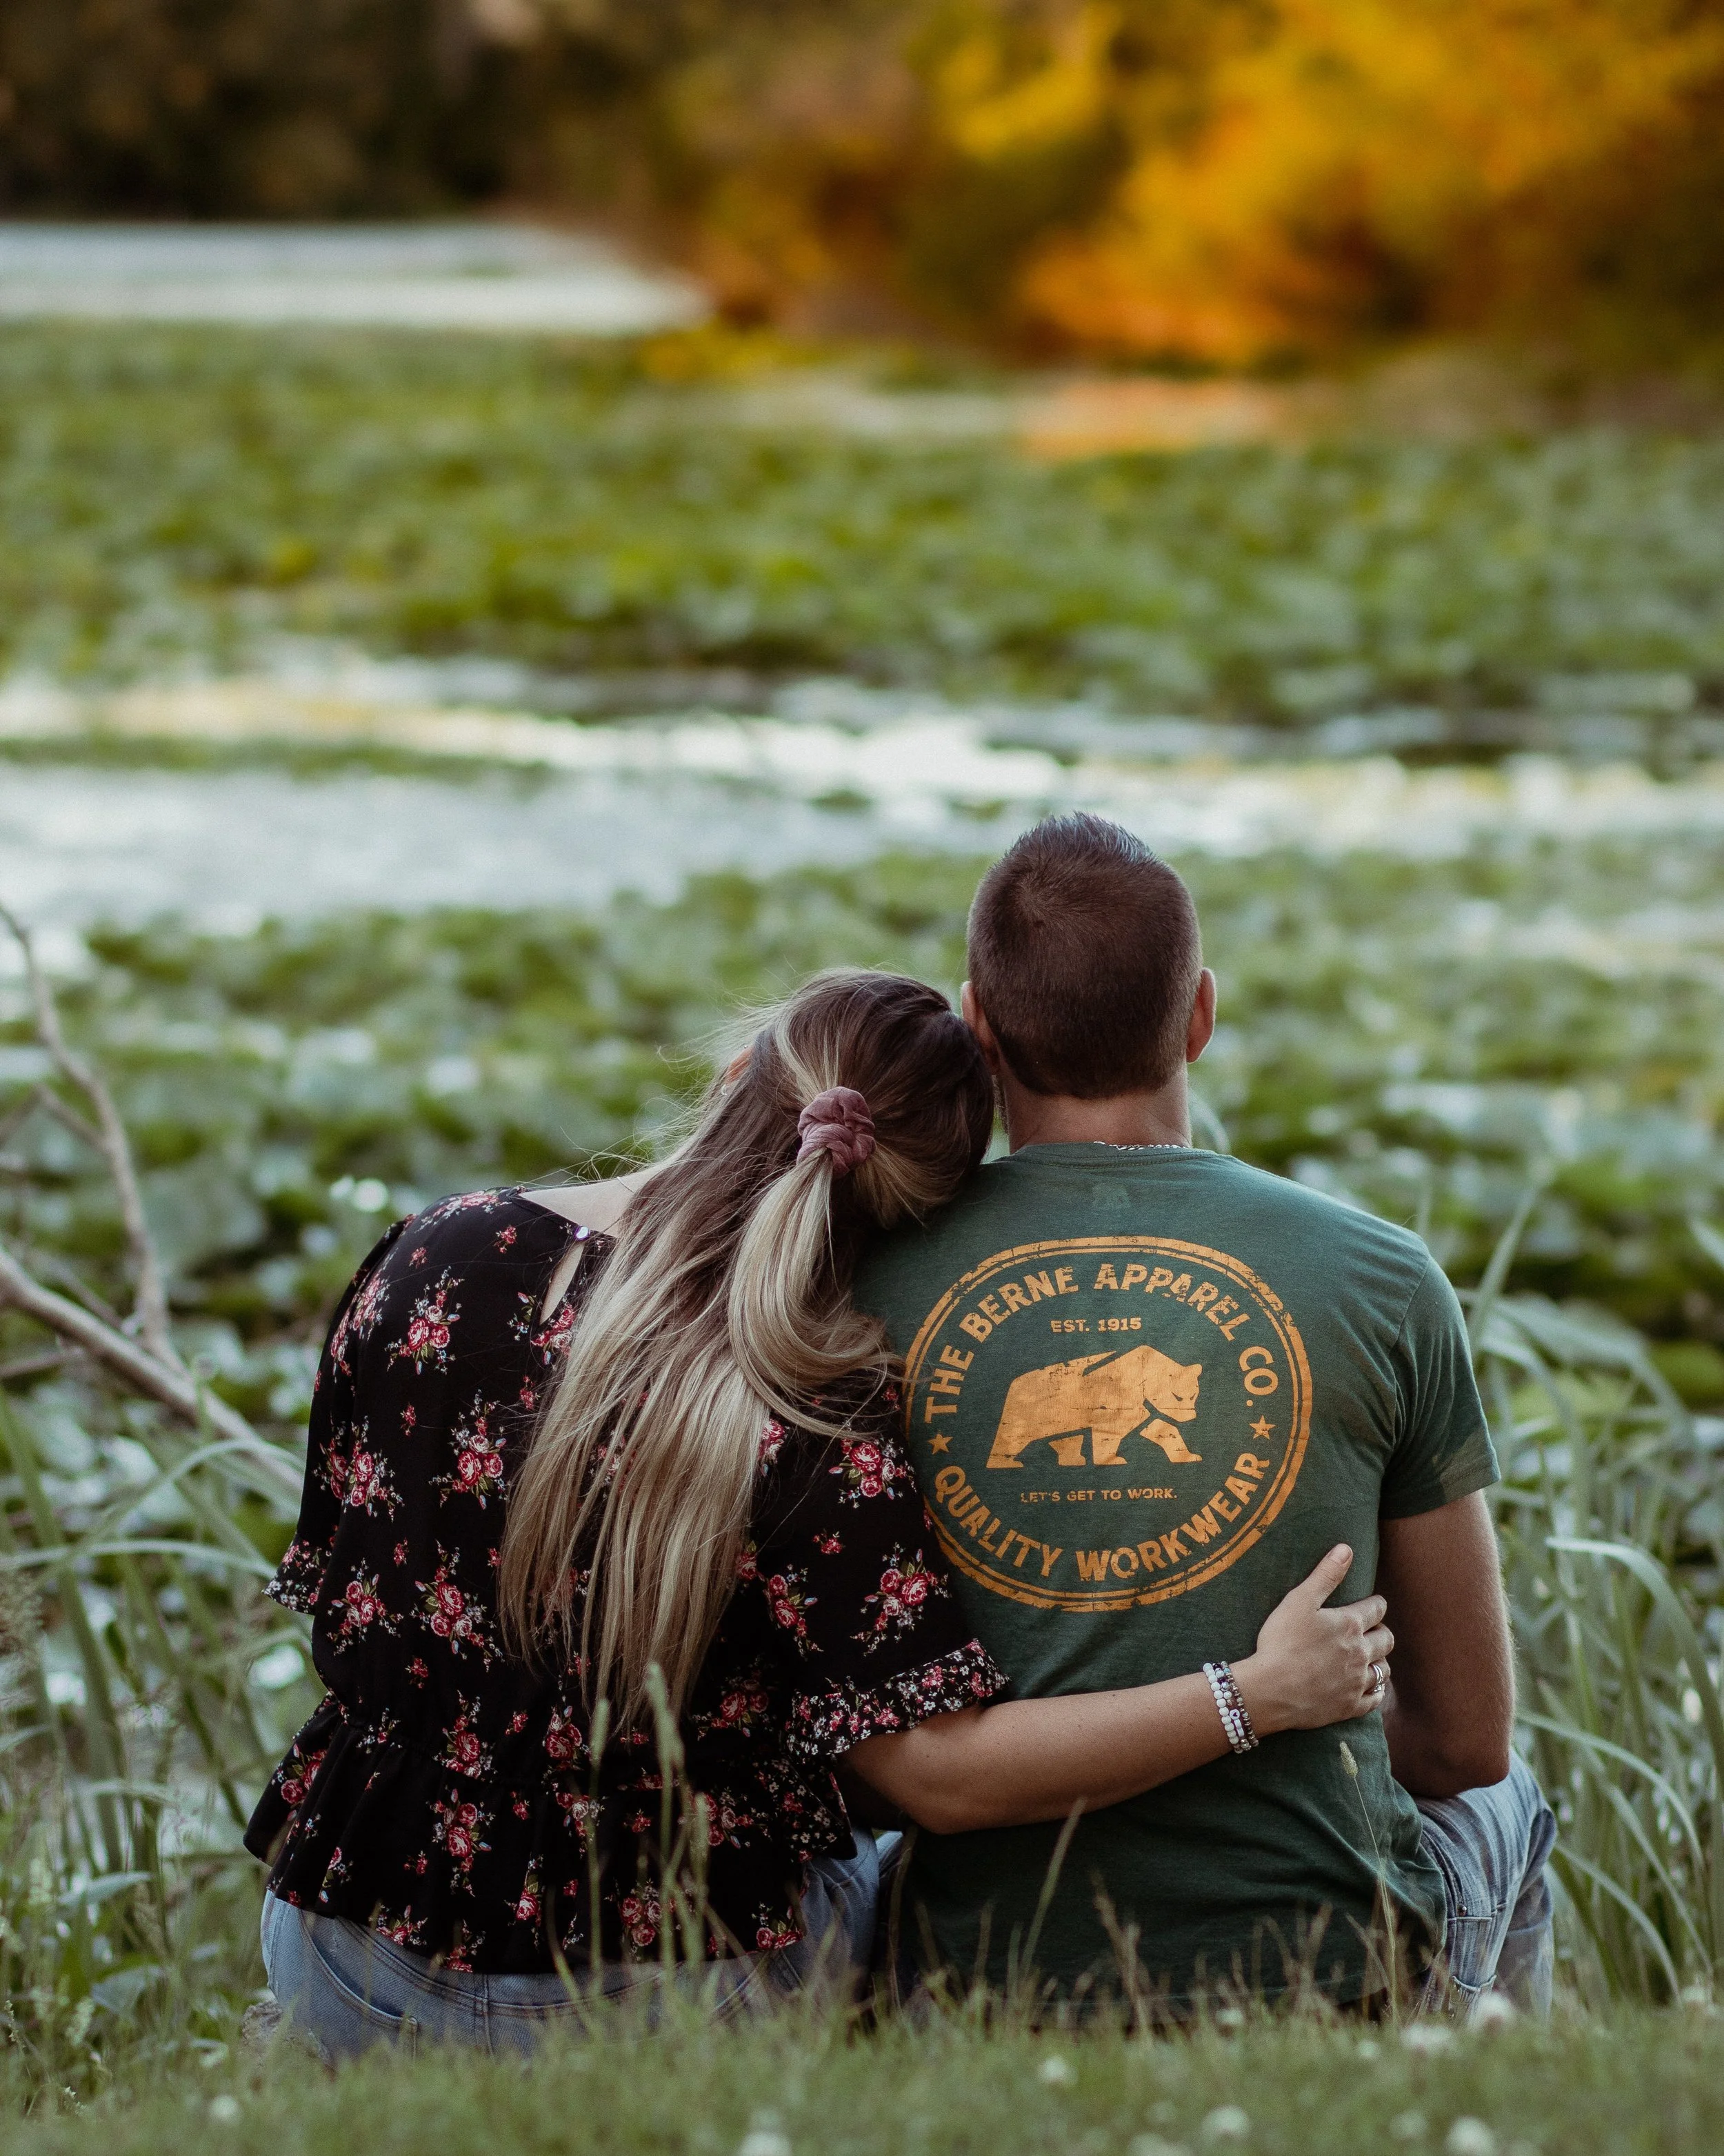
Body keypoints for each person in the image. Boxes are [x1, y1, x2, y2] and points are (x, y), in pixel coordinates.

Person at [246, 968, 1393, 2057]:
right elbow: (941, 1776)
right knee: (888, 1840)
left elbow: (340, 1596)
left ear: (743, 1066)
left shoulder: (432, 1257)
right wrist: (1253, 1694)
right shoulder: (818, 1405)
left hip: (354, 1965)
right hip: (683, 1998)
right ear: (907, 1211)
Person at [852, 817, 1557, 2018]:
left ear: (978, 1022)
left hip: (975, 1976)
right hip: (1332, 1966)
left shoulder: (855, 1281)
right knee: (1509, 1799)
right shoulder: (1382, 1274)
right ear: (1200, 1017)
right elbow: (1460, 1744)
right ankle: (1490, 2100)